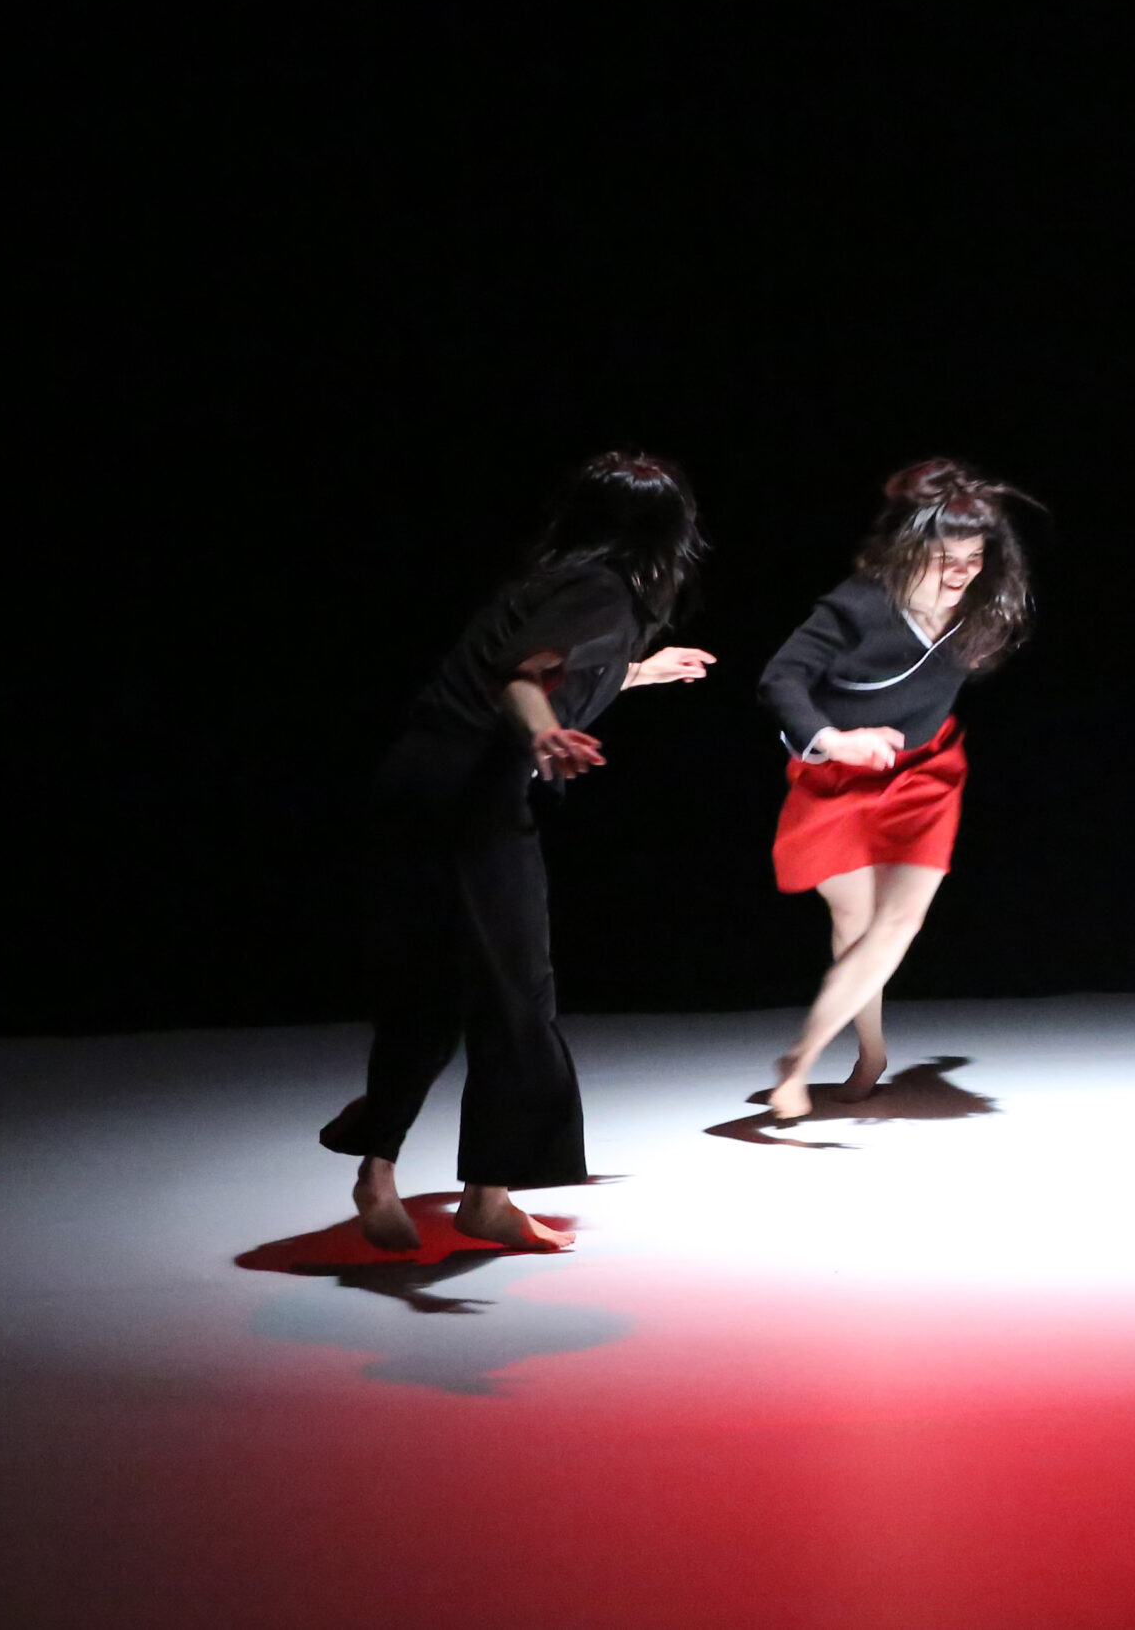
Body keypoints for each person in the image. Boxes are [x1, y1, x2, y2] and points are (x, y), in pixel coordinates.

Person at [320, 452, 714, 1252]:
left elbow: (549, 668)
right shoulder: (602, 589)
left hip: (414, 784)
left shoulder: (552, 581)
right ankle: (487, 1195)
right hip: (472, 798)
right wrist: (542, 733)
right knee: (517, 995)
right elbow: (521, 678)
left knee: (431, 987)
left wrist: (639, 672)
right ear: (665, 534)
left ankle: (379, 1169)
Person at [755, 460, 1036, 1124]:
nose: (961, 572)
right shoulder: (859, 605)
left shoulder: (981, 610)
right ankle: (872, 1051)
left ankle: (798, 1061)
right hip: (838, 776)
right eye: (944, 558)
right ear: (907, 550)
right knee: (855, 922)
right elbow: (780, 680)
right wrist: (833, 739)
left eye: (974, 557)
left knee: (899, 922)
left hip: (926, 774)